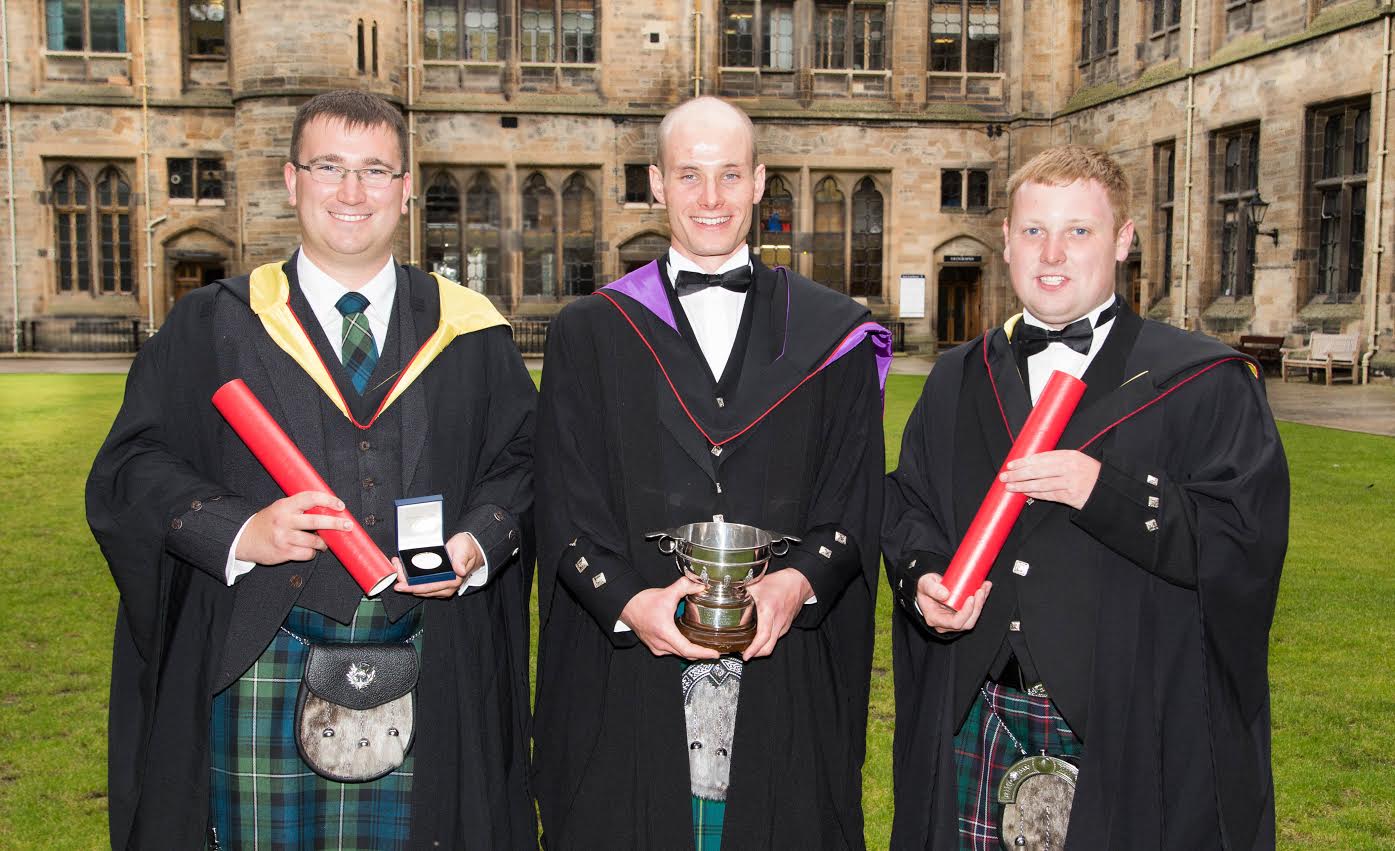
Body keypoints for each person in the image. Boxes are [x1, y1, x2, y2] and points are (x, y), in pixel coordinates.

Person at [87, 90, 537, 849]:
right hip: (261, 657)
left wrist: (480, 541)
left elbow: (524, 464)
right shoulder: (216, 325)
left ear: (404, 191)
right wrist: (239, 529)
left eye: (374, 170)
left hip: (433, 653)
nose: (351, 192)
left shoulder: (470, 332)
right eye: (329, 167)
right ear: (291, 181)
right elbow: (133, 466)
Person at [883, 145, 1288, 850]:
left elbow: (1244, 542)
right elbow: (906, 503)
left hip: (1130, 733)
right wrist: (921, 574)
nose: (1052, 253)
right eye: (1034, 230)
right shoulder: (956, 378)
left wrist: (1106, 490)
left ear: (1123, 239)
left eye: (1079, 230)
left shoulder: (1203, 381)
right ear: (1004, 241)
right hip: (978, 711)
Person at [532, 96, 891, 850]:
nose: (710, 198)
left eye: (729, 174)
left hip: (784, 675)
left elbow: (857, 497)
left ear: (761, 183)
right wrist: (631, 604)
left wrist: (794, 584)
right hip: (630, 679)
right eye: (688, 175)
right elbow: (561, 502)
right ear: (656, 184)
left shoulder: (834, 335)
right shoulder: (589, 332)